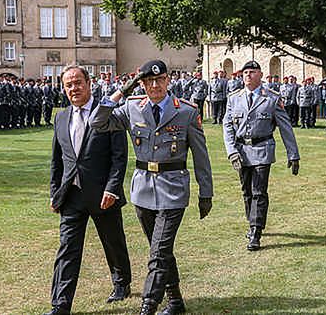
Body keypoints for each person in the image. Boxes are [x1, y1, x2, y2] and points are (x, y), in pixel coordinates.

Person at [90, 59, 213, 315]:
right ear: (142, 83)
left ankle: (149, 304)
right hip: (143, 190)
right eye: (148, 81)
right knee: (160, 250)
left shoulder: (187, 111)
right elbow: (97, 122)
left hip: (174, 189)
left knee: (158, 252)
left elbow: (201, 156)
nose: (155, 85)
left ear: (168, 80)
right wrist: (124, 89)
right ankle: (176, 301)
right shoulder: (132, 107)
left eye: (160, 80)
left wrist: (206, 192)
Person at [43, 65, 131, 315]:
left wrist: (112, 189)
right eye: (68, 85)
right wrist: (54, 192)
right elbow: (56, 160)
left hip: (103, 194)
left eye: (78, 83)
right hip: (71, 195)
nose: (74, 88)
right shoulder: (60, 117)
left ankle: (121, 282)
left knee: (113, 242)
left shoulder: (107, 113)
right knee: (67, 249)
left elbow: (119, 156)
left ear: (89, 83)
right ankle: (60, 304)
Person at [223, 60, 300, 251]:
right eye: (245, 72)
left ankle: (256, 231)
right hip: (241, 151)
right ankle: (252, 222)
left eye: (252, 72)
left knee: (258, 191)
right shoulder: (234, 98)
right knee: (246, 191)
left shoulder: (272, 98)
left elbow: (285, 127)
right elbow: (227, 126)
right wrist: (231, 151)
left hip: (262, 149)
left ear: (261, 75)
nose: (247, 75)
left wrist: (293, 154)